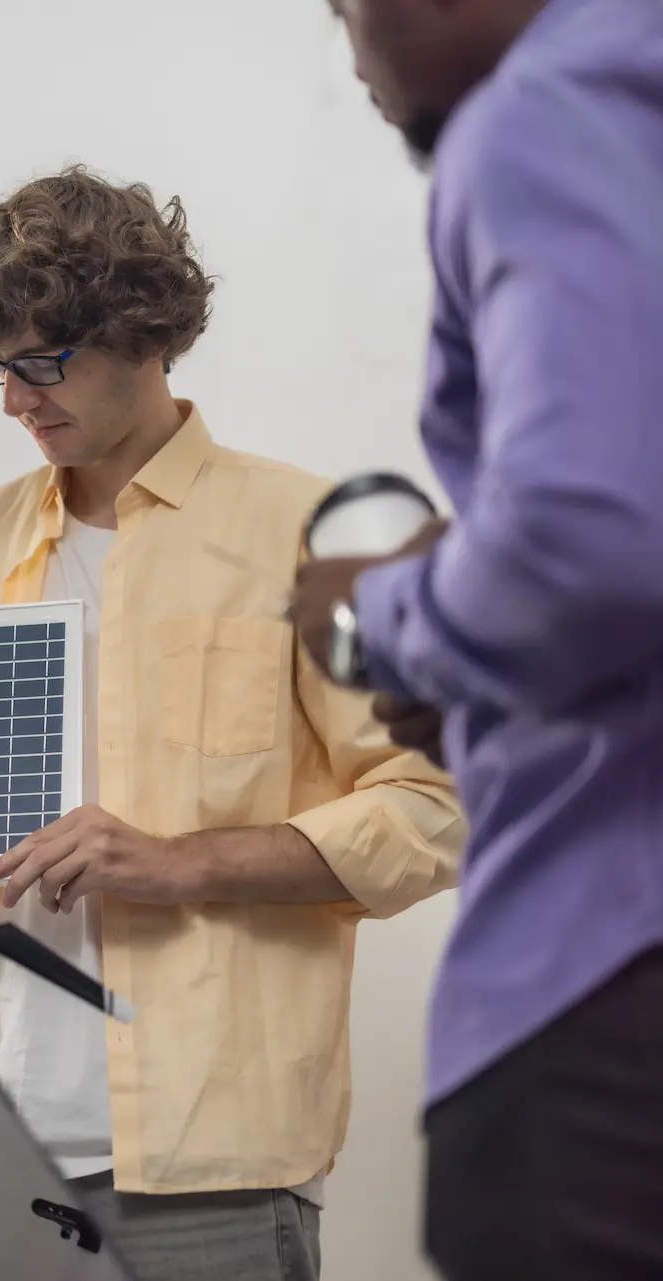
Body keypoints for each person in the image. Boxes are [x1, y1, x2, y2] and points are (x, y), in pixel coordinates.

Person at [0, 167, 464, 1281]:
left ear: (146, 334)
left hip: (215, 1170)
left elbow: (434, 809)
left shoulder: (315, 529)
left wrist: (177, 861)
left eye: (43, 362)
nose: (14, 400)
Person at [292, 2, 663, 1277]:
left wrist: (378, 617)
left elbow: (589, 544)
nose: (347, 47)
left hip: (603, 980)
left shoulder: (540, 118)